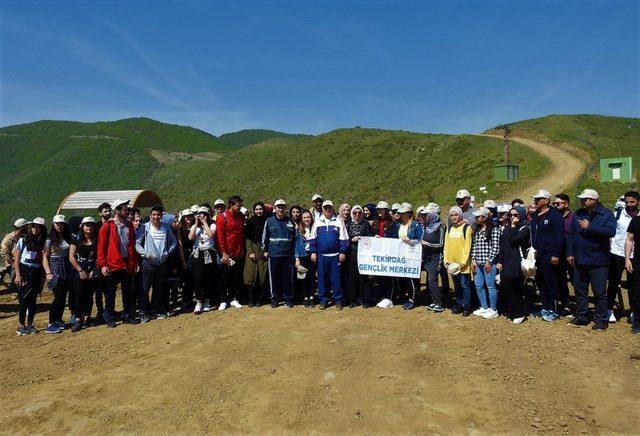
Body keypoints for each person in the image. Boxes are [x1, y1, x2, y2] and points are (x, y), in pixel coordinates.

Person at [566, 189, 616, 331]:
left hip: (598, 260)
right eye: (582, 199)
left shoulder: (606, 214)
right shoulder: (578, 214)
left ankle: (601, 319)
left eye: (585, 199)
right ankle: (582, 316)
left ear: (594, 200)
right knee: (580, 290)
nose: (582, 201)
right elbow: (571, 236)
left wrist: (590, 227)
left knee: (599, 292)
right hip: (579, 259)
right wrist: (569, 253)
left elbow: (611, 231)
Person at [96, 199, 139, 327]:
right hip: (112, 263)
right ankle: (110, 317)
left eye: (127, 209)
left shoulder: (129, 225)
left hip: (127, 262)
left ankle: (127, 315)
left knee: (127, 291)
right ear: (117, 210)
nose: (127, 211)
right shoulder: (107, 226)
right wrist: (102, 264)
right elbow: (101, 247)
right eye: (124, 209)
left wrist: (134, 261)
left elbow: (132, 244)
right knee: (110, 292)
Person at [135, 205, 178, 322]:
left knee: (158, 288)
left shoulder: (166, 228)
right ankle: (144, 312)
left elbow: (174, 242)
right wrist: (145, 254)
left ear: (161, 216)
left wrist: (167, 253)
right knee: (145, 288)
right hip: (148, 263)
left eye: (158, 214)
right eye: (154, 214)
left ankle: (154, 310)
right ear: (150, 215)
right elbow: (137, 243)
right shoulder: (145, 227)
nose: (156, 217)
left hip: (161, 263)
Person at [529, 189, 564, 322]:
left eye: (538, 199)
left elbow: (559, 236)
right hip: (538, 255)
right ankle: (544, 307)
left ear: (546, 201)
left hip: (550, 254)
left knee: (551, 282)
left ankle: (553, 309)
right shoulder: (536, 215)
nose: (535, 201)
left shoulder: (555, 216)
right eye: (535, 199)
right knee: (540, 282)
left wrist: (555, 254)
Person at [309, 200, 349, 310]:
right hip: (321, 256)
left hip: (336, 255)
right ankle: (323, 300)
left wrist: (342, 252)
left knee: (336, 279)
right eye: (325, 208)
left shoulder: (338, 221)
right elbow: (313, 238)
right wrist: (313, 251)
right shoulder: (317, 222)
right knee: (322, 279)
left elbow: (344, 238)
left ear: (332, 208)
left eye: (329, 207)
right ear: (322, 209)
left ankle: (338, 300)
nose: (327, 210)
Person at [607, 191, 639, 322]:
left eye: (632, 202)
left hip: (635, 255)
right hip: (617, 253)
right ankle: (609, 309)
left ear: (638, 202)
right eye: (627, 202)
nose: (629, 204)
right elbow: (610, 233)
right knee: (613, 282)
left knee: (634, 285)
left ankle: (634, 311)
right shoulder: (617, 215)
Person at [496, 206, 530, 324]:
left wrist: (513, 226)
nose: (512, 217)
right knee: (507, 287)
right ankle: (513, 310)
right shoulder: (507, 228)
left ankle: (519, 312)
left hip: (516, 262)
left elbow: (513, 241)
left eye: (516, 215)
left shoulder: (524, 229)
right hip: (507, 262)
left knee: (511, 287)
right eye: (510, 215)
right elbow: (503, 246)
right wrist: (500, 261)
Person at [13, 218, 47, 336]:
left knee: (32, 299)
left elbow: (43, 259)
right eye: (33, 226)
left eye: (37, 227)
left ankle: (30, 324)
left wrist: (42, 277)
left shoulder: (43, 242)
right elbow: (17, 258)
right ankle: (21, 324)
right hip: (24, 268)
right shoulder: (23, 240)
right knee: (23, 298)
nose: (35, 229)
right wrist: (18, 274)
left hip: (36, 270)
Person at [263, 199, 297, 308]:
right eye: (278, 207)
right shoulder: (269, 221)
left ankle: (288, 298)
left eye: (282, 207)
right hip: (273, 255)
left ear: (285, 208)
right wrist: (265, 250)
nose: (281, 209)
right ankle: (274, 298)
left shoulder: (290, 221)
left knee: (287, 278)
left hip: (287, 255)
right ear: (275, 208)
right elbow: (265, 237)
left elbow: (294, 239)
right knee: (274, 278)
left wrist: (293, 253)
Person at [68, 217, 100, 332]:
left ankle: (87, 317)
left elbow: (98, 256)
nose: (89, 227)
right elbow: (71, 257)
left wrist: (95, 270)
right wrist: (80, 270)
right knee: (79, 294)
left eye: (91, 225)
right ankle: (78, 318)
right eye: (87, 225)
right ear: (83, 226)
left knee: (89, 295)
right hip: (79, 270)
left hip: (92, 269)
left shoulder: (97, 240)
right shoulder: (76, 239)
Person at [42, 215, 73, 334]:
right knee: (58, 296)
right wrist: (48, 273)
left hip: (65, 265)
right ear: (53, 224)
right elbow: (45, 257)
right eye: (57, 223)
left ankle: (58, 320)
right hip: (54, 267)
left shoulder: (67, 236)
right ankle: (51, 323)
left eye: (62, 223)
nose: (60, 225)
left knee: (63, 295)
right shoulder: (49, 239)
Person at [216, 195, 246, 310]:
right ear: (231, 205)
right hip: (226, 253)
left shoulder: (241, 216)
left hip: (238, 252)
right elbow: (220, 237)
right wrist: (223, 253)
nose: (240, 207)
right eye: (238, 205)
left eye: (241, 205)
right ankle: (223, 300)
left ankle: (233, 298)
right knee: (224, 277)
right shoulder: (222, 217)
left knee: (235, 277)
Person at [471, 207, 501, 319]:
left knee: (490, 286)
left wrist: (489, 260)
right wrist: (473, 260)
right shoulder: (477, 230)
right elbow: (474, 245)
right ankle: (484, 307)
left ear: (484, 217)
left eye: (478, 216)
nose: (476, 218)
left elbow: (495, 247)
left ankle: (493, 309)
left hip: (489, 263)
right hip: (478, 262)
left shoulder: (494, 230)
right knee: (478, 285)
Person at [444, 206, 474, 316]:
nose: (454, 217)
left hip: (462, 264)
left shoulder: (467, 228)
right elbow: (446, 245)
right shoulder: (450, 229)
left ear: (460, 215)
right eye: (452, 215)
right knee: (456, 285)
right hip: (452, 263)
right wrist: (446, 260)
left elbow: (468, 245)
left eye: (456, 215)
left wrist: (463, 261)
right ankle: (459, 304)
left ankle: (467, 306)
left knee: (465, 285)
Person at [189, 207, 218, 314]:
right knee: (198, 278)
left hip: (209, 253)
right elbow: (190, 238)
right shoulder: (195, 226)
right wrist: (196, 223)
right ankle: (199, 302)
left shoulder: (212, 225)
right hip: (197, 254)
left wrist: (205, 222)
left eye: (204, 214)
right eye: (200, 214)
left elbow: (211, 234)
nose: (202, 216)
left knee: (208, 278)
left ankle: (207, 301)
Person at [396, 203, 423, 310]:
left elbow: (420, 240)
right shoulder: (399, 225)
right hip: (401, 255)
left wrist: (411, 241)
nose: (401, 215)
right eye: (400, 213)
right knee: (404, 278)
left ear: (409, 213)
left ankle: (412, 299)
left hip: (412, 255)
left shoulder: (416, 225)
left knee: (411, 278)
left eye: (403, 213)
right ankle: (406, 296)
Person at [345, 205, 374, 308]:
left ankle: (365, 299)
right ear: (352, 214)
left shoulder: (366, 224)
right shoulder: (348, 224)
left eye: (359, 213)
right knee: (352, 279)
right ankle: (352, 299)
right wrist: (351, 240)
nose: (357, 215)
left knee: (364, 278)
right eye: (355, 213)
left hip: (363, 256)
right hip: (351, 255)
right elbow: (343, 239)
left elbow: (371, 237)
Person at [552, 193, 575, 316]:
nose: (555, 205)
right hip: (558, 253)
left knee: (576, 281)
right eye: (554, 203)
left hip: (571, 253)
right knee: (560, 280)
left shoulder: (573, 218)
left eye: (558, 203)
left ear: (566, 204)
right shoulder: (554, 217)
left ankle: (580, 306)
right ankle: (564, 304)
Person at [420, 208, 445, 313]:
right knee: (430, 279)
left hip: (436, 257)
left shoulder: (440, 227)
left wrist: (427, 244)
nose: (424, 217)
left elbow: (441, 244)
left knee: (431, 279)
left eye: (426, 215)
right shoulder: (425, 227)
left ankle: (439, 303)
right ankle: (434, 301)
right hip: (427, 257)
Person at [244, 202, 269, 307]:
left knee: (261, 276)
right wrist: (250, 252)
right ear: (254, 210)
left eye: (261, 209)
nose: (259, 211)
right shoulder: (250, 222)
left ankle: (261, 298)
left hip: (263, 249)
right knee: (250, 275)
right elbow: (247, 238)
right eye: (257, 209)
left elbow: (268, 237)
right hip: (253, 249)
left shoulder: (267, 221)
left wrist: (266, 250)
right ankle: (251, 298)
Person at [295, 210, 315, 307]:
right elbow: (296, 245)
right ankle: (305, 297)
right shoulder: (298, 230)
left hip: (312, 254)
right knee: (303, 277)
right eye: (304, 218)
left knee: (311, 277)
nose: (307, 219)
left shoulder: (315, 229)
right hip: (302, 255)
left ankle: (311, 297)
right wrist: (297, 258)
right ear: (302, 219)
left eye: (308, 217)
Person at [625, 212, 640, 334]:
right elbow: (629, 239)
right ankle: (638, 321)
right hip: (638, 261)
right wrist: (627, 259)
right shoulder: (636, 221)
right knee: (637, 291)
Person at [1, 218, 28, 285]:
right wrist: (12, 263)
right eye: (26, 226)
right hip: (11, 263)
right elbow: (4, 253)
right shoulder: (8, 239)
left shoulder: (24, 237)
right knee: (16, 275)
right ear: (21, 227)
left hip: (22, 262)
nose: (27, 228)